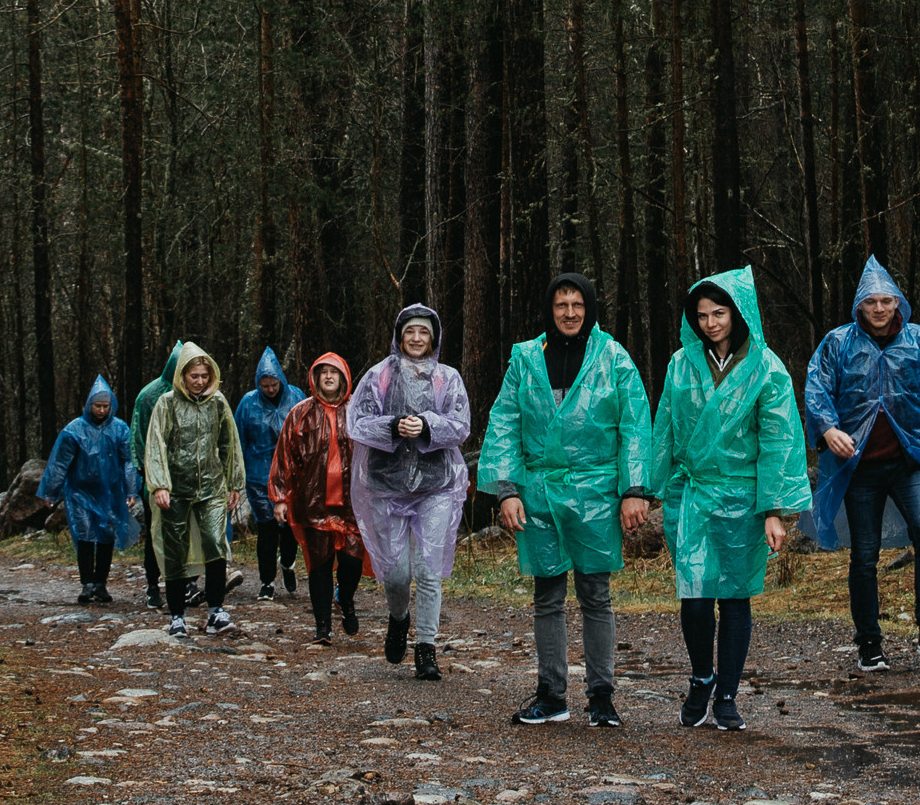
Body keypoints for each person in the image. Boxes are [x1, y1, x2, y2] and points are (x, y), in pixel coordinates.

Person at [479, 268, 652, 730]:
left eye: (577, 305)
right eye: (561, 305)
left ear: (589, 308)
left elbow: (635, 424)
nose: (570, 313)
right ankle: (552, 693)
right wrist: (507, 490)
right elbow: (505, 423)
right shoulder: (526, 358)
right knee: (547, 595)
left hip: (596, 491)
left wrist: (634, 489)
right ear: (549, 310)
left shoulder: (613, 356)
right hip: (538, 491)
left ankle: (601, 696)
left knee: (595, 595)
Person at [643, 265, 812, 732]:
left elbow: (778, 441)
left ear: (737, 313)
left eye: (719, 313)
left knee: (735, 598)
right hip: (695, 494)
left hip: (744, 496)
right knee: (695, 596)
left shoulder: (767, 368)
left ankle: (729, 695)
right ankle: (702, 677)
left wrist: (773, 511)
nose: (711, 323)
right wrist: (647, 489)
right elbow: (666, 430)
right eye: (702, 315)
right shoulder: (682, 363)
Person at [803, 255, 920, 673]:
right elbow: (817, 389)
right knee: (864, 555)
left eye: (887, 300)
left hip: (911, 461)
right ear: (859, 306)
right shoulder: (838, 344)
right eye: (871, 302)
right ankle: (869, 643)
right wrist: (829, 429)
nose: (880, 309)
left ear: (898, 303)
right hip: (860, 468)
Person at [347, 305, 473, 681]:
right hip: (387, 484)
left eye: (423, 332)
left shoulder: (448, 378)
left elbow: (460, 424)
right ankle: (398, 618)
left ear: (432, 338)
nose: (416, 339)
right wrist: (392, 426)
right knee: (397, 573)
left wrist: (428, 426)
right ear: (400, 336)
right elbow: (357, 422)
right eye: (410, 332)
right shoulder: (378, 376)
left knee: (429, 568)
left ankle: (426, 647)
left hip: (436, 485)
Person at [143, 340, 248, 638]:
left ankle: (216, 610)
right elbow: (156, 445)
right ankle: (177, 614)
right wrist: (160, 485)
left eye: (204, 375)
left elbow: (229, 443)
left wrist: (234, 482)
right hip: (176, 490)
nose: (200, 381)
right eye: (194, 376)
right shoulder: (167, 403)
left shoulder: (218, 402)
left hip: (212, 487)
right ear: (182, 377)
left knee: (216, 544)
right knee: (175, 549)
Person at [271, 351, 364, 642]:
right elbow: (285, 456)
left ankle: (345, 599)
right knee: (319, 565)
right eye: (323, 372)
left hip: (352, 505)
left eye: (334, 372)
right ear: (315, 377)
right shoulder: (301, 413)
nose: (328, 377)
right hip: (313, 502)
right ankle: (322, 625)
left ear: (344, 378)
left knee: (351, 564)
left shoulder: (359, 412)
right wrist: (281, 497)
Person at [41, 374, 131, 607]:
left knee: (106, 537)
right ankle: (86, 583)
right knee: (85, 536)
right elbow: (59, 463)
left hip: (110, 493)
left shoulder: (120, 429)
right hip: (80, 493)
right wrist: (50, 492)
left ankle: (101, 583)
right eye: (97, 406)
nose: (101, 410)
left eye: (105, 406)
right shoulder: (74, 430)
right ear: (89, 405)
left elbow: (128, 461)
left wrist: (131, 491)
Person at [236, 345, 306, 601]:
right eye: (265, 385)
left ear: (280, 380)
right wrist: (238, 472)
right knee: (266, 530)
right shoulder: (248, 403)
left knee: (289, 528)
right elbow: (238, 438)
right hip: (259, 475)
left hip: (290, 474)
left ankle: (287, 563)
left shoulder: (296, 396)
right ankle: (266, 581)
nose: (270, 389)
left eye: (273, 384)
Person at [129, 341, 186, 605]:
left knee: (186, 531)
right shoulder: (149, 396)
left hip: (187, 477)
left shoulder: (197, 394)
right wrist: (148, 473)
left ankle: (186, 583)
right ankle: (153, 584)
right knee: (156, 532)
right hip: (156, 478)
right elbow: (139, 437)